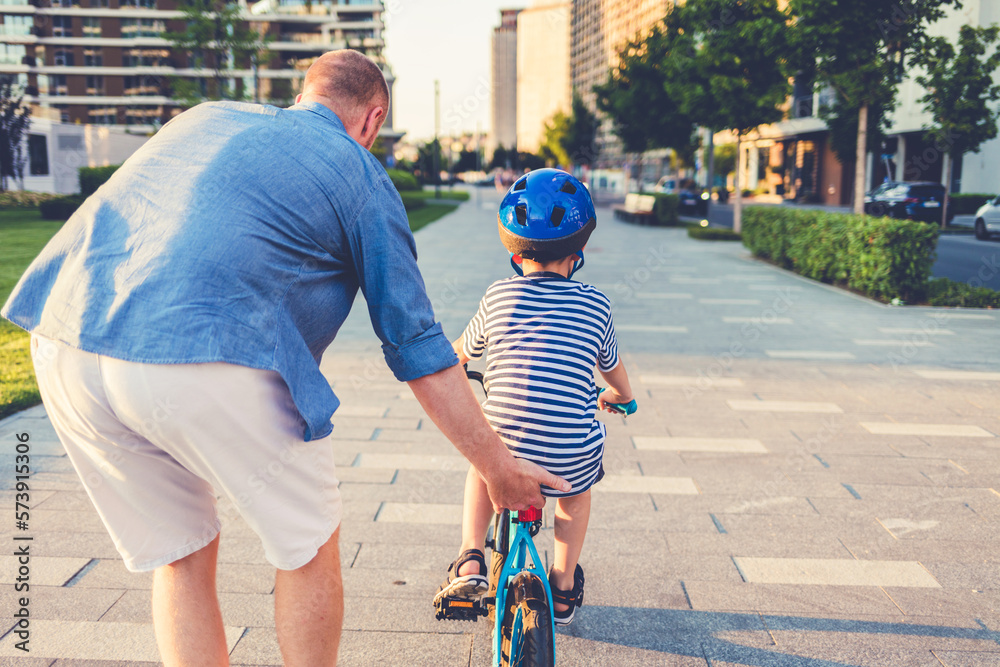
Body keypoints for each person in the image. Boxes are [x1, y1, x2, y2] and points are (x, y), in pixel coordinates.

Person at [2, 50, 568, 666]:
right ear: (373, 120)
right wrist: (499, 469)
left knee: (182, 557)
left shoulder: (206, 116)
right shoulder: (361, 173)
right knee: (308, 544)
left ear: (304, 94)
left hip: (66, 341)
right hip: (208, 348)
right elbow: (416, 347)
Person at [433, 168, 635, 626]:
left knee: (480, 464)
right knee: (575, 498)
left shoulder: (498, 296)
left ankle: (469, 559)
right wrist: (621, 396)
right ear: (578, 254)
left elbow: (462, 352)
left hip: (506, 449)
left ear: (513, 252)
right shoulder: (596, 305)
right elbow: (612, 369)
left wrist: (455, 364)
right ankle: (562, 590)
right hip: (566, 458)